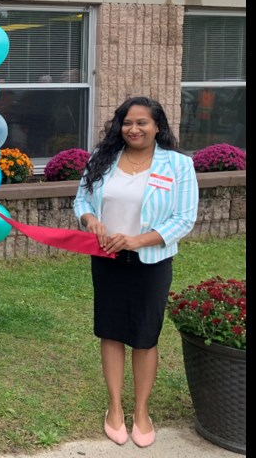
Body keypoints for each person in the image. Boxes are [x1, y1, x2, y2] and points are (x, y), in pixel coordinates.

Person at [73, 96, 198, 449]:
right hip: (107, 260)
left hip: (151, 262)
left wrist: (136, 241)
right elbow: (82, 200)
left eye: (142, 122)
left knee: (145, 337)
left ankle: (141, 412)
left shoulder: (177, 166)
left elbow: (184, 218)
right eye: (128, 122)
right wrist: (92, 220)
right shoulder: (102, 159)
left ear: (158, 126)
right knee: (110, 333)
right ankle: (115, 408)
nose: (134, 128)